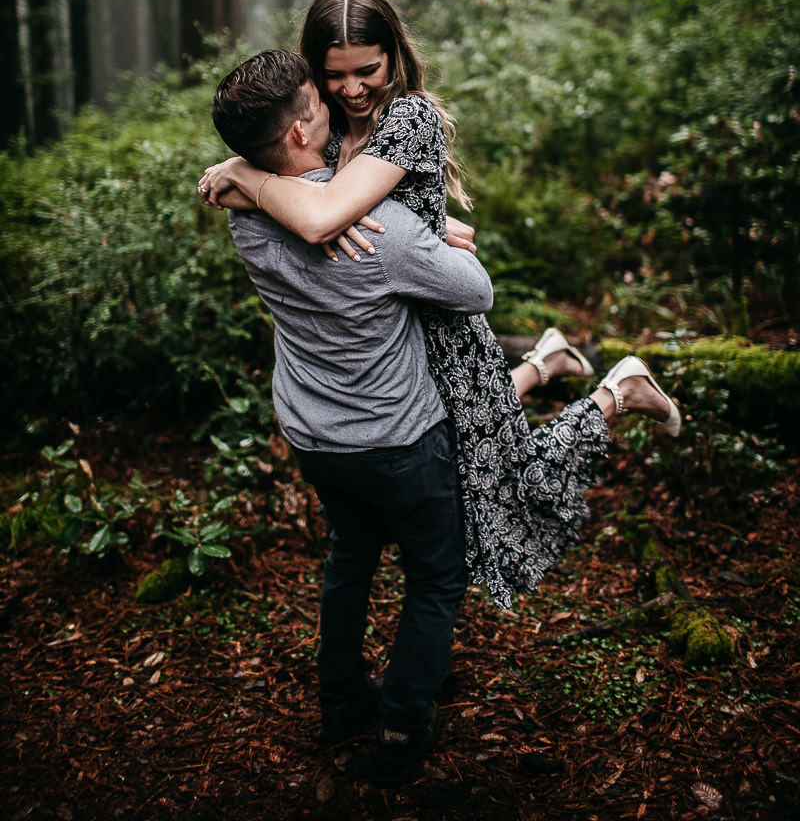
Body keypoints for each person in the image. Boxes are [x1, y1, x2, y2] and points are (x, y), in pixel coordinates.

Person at [208, 46, 680, 787]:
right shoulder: (380, 229)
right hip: (397, 439)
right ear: (300, 133)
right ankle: (402, 719)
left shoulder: (245, 212)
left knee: (350, 558)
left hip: (313, 436)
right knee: (436, 574)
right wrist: (427, 235)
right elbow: (476, 290)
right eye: (319, 99)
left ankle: (341, 703)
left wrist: (244, 174)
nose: (336, 102)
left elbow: (275, 194)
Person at [199, 0, 681, 613]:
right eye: (333, 75)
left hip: (441, 331)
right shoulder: (326, 120)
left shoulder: (407, 118)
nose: (350, 89)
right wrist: (248, 170)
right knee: (449, 493)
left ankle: (620, 390)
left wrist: (244, 173)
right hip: (388, 341)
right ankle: (549, 359)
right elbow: (308, 190)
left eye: (366, 70)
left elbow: (318, 215)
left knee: (506, 485)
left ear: (393, 55)